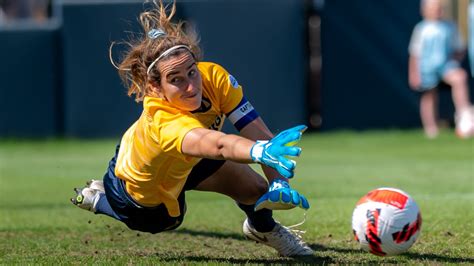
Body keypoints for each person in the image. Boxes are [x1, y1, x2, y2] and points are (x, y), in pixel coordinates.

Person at [70, 0, 313, 257]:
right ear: (155, 87)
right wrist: (259, 151)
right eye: (176, 80)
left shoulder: (215, 78)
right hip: (141, 182)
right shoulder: (162, 118)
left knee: (257, 190)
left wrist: (279, 183)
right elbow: (217, 145)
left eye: (192, 72)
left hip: (190, 160)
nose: (191, 86)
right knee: (166, 222)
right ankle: (101, 199)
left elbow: (257, 132)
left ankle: (264, 229)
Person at [408, 0, 474, 139]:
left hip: (445, 66)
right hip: (427, 69)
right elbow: (415, 54)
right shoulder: (421, 29)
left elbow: (460, 48)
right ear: (425, 11)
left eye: (440, 9)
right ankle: (431, 129)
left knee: (460, 77)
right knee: (429, 96)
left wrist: (454, 61)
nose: (439, 12)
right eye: (434, 9)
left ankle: (464, 115)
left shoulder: (449, 27)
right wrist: (414, 73)